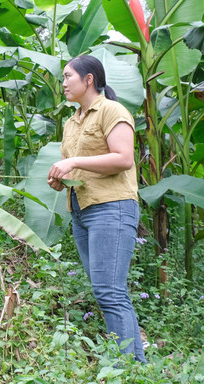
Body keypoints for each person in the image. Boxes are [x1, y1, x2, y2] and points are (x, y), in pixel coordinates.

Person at [47, 54, 145, 363]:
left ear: (88, 79)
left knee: (109, 292)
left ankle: (125, 368)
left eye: (68, 77)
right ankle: (135, 365)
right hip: (81, 210)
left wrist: (73, 162)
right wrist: (61, 179)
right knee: (108, 292)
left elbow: (123, 158)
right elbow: (79, 167)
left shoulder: (112, 110)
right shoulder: (72, 122)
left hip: (111, 207)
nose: (63, 83)